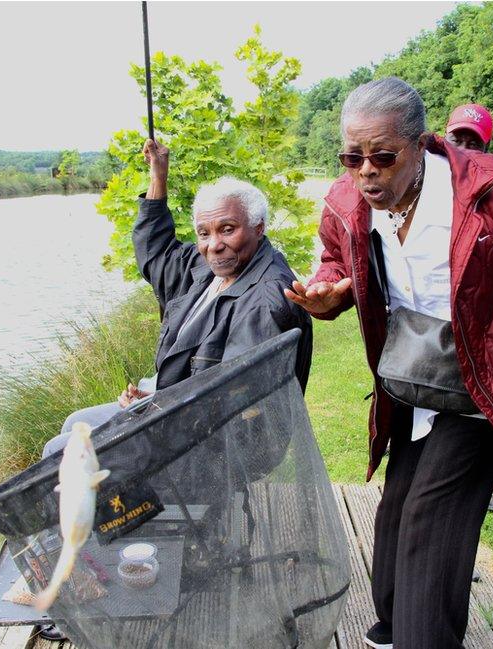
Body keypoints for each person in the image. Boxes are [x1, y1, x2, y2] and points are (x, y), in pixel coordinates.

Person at [285, 77, 493, 649]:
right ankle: (395, 626)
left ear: (421, 144)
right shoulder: (346, 203)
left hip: (490, 378)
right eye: (350, 157)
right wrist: (328, 291)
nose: (365, 171)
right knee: (396, 510)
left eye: (382, 156)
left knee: (432, 516)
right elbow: (332, 260)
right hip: (415, 378)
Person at [43, 139, 313, 457]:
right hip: (174, 409)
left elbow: (232, 399)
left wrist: (154, 409)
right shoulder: (210, 268)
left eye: (228, 229)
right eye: (203, 232)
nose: (214, 244)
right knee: (77, 422)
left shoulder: (266, 300)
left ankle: (136, 506)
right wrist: (158, 175)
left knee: (61, 450)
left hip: (222, 443)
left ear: (259, 227)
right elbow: (156, 252)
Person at [444, 102, 493, 513]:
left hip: (485, 330)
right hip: (432, 334)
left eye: (475, 141)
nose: (466, 147)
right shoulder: (425, 190)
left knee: (481, 410)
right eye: (458, 137)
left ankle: (483, 490)